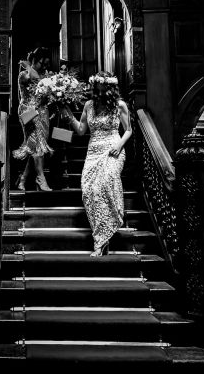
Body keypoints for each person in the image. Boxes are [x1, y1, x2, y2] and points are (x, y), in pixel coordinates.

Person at [61, 71, 132, 256]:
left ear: (109, 90)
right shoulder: (88, 105)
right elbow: (81, 130)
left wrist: (119, 144)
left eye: (102, 91)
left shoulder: (120, 105)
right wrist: (68, 115)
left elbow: (129, 130)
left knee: (106, 182)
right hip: (93, 151)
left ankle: (100, 242)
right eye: (97, 91)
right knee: (88, 190)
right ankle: (101, 235)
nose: (99, 95)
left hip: (112, 148)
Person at [12, 47, 53, 191]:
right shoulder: (24, 74)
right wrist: (29, 66)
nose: (44, 67)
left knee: (37, 145)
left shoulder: (44, 76)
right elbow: (34, 79)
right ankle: (41, 179)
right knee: (36, 143)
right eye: (42, 64)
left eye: (47, 65)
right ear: (35, 60)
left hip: (42, 112)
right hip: (28, 111)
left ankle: (22, 179)